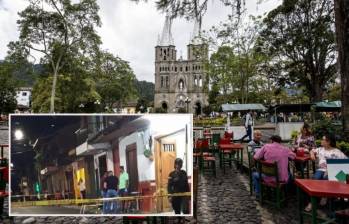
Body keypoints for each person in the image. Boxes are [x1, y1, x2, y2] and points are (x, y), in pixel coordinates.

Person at [305, 134, 348, 212]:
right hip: (321, 169)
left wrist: (335, 170)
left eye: (323, 139)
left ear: (328, 142)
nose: (321, 141)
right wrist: (312, 154)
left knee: (326, 179)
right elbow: (312, 150)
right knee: (315, 179)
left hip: (332, 171)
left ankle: (325, 196)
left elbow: (345, 162)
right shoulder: (320, 149)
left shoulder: (337, 152)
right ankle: (312, 202)